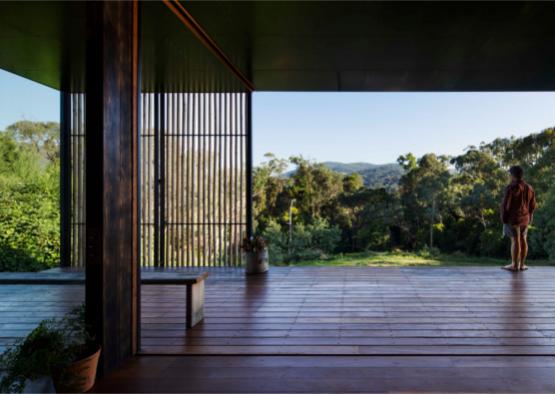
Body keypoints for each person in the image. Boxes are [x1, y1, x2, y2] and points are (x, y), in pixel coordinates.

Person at [501, 165, 536, 271]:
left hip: (514, 218)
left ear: (512, 175)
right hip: (525, 218)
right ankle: (521, 264)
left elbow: (506, 205)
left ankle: (514, 265)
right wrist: (530, 216)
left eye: (509, 174)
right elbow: (532, 205)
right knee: (523, 239)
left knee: (515, 241)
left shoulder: (512, 188)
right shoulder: (529, 187)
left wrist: (504, 218)